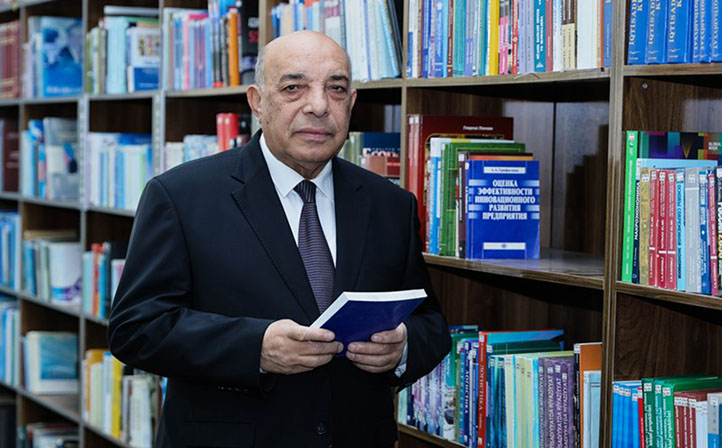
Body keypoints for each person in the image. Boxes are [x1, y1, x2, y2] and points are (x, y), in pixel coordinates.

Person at [108, 30, 451, 448]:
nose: (319, 106)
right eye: (293, 88)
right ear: (257, 102)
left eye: (336, 89)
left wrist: (402, 348)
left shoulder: (390, 204)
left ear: (352, 103)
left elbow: (430, 323)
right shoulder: (180, 196)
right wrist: (255, 347)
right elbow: (136, 328)